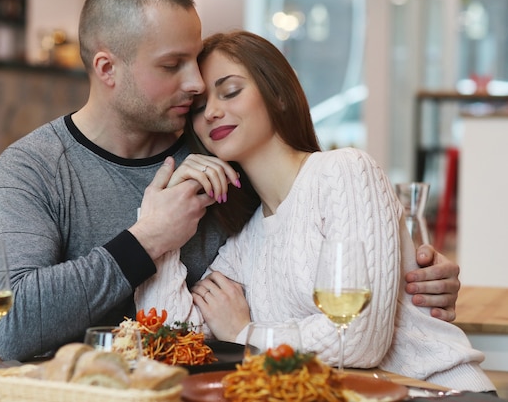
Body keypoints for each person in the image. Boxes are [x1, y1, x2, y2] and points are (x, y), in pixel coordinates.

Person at [0, 0, 461, 362]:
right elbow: (7, 329)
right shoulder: (34, 168)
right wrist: (150, 238)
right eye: (173, 66)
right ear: (108, 70)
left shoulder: (223, 164)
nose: (195, 87)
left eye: (202, 67)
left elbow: (332, 248)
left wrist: (411, 275)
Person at [134, 30, 495, 392]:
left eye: (231, 91)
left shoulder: (345, 172)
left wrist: (245, 335)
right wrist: (157, 222)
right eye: (199, 109)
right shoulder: (244, 243)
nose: (212, 112)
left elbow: (358, 339)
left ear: (277, 95)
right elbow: (177, 345)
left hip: (439, 391)